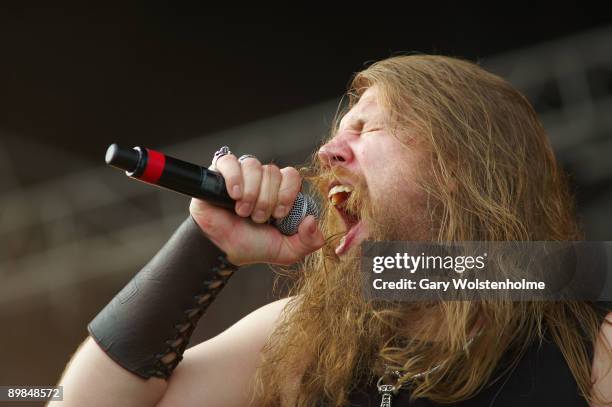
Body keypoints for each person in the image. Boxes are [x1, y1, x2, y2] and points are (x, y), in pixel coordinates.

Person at [51, 55, 612, 407]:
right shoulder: (300, 344)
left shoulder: (590, 346)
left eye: (368, 128)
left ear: (464, 166)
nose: (326, 152)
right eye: (339, 132)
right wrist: (206, 247)